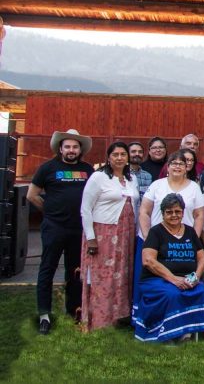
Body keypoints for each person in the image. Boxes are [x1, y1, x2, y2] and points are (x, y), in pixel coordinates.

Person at [27, 129, 94, 333]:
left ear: (80, 149)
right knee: (47, 270)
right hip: (54, 228)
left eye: (75, 146)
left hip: (78, 229)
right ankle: (45, 316)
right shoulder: (47, 168)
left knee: (75, 273)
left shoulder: (88, 170)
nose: (71, 150)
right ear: (60, 148)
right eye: (67, 146)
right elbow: (32, 195)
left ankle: (73, 312)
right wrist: (50, 211)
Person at [133, 194, 204, 343]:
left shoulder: (190, 231)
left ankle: (185, 333)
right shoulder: (156, 232)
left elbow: (202, 258)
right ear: (163, 214)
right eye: (169, 212)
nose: (174, 215)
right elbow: (148, 261)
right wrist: (173, 279)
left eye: (177, 211)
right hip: (156, 279)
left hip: (186, 278)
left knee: (202, 290)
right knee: (172, 293)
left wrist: (195, 278)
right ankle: (166, 335)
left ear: (182, 212)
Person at [79, 142, 138, 331]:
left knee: (121, 276)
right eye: (116, 154)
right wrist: (91, 237)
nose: (120, 158)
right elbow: (86, 209)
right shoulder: (98, 178)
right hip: (103, 233)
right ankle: (98, 320)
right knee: (101, 277)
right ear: (109, 157)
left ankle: (117, 317)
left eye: (123, 154)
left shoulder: (131, 179)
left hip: (126, 234)